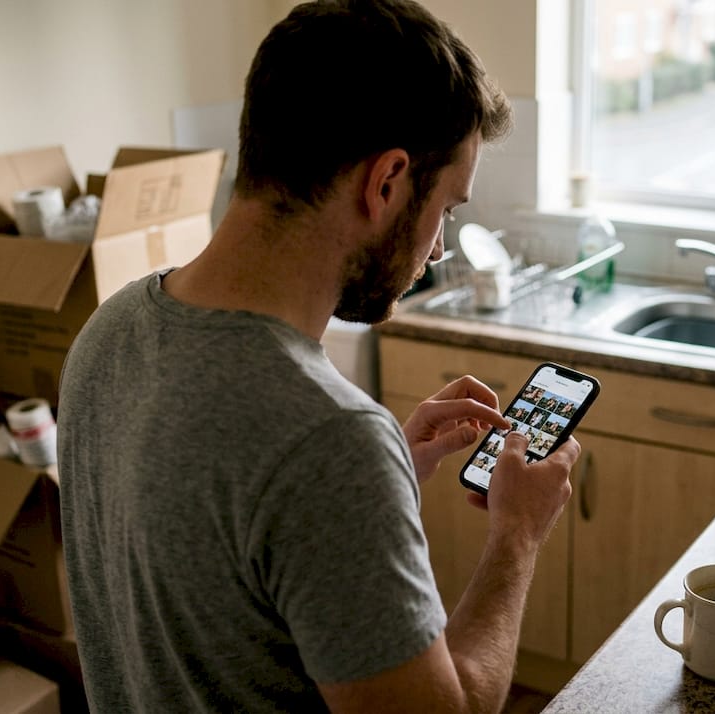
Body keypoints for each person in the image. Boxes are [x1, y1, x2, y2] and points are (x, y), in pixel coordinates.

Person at [57, 0, 581, 711]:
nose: (436, 250)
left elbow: (214, 563)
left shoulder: (110, 331)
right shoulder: (328, 443)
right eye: (447, 211)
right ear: (386, 183)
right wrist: (518, 534)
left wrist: (388, 468)